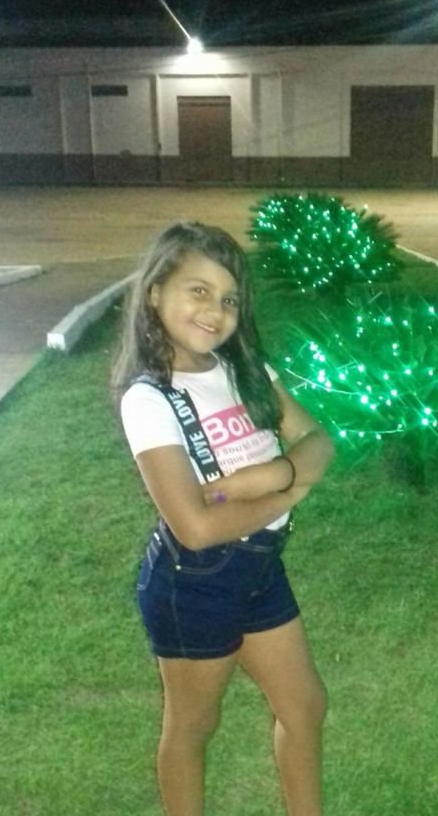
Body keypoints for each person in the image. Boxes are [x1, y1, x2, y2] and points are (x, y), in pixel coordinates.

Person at [112, 222, 334, 816]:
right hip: (195, 582)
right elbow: (197, 526)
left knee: (305, 705)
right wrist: (294, 488)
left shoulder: (245, 370)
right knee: (194, 724)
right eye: (199, 290)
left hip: (258, 569)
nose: (216, 311)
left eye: (230, 299)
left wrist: (269, 477)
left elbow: (318, 441)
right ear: (155, 292)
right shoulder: (150, 399)